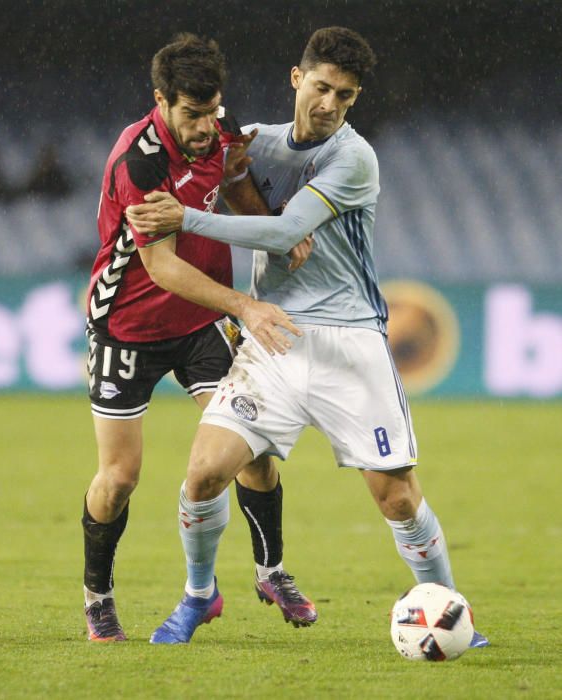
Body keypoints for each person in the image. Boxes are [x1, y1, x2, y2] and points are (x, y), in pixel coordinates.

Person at [126, 26, 489, 649]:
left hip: (350, 342)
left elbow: (284, 231)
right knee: (205, 474)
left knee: (397, 498)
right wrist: (223, 179)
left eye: (345, 97)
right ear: (298, 79)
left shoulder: (354, 158)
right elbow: (190, 146)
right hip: (274, 337)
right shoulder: (255, 143)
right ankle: (198, 596)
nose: (330, 105)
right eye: (322, 87)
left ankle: (451, 608)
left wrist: (182, 218)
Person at [82, 33, 317, 643]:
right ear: (161, 100)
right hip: (127, 326)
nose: (206, 127)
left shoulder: (221, 127)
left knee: (252, 448)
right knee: (120, 477)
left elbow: (233, 183)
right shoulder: (139, 162)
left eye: (213, 111)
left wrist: (271, 225)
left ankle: (271, 569)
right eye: (191, 114)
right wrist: (247, 304)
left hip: (200, 324)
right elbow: (161, 267)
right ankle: (99, 597)